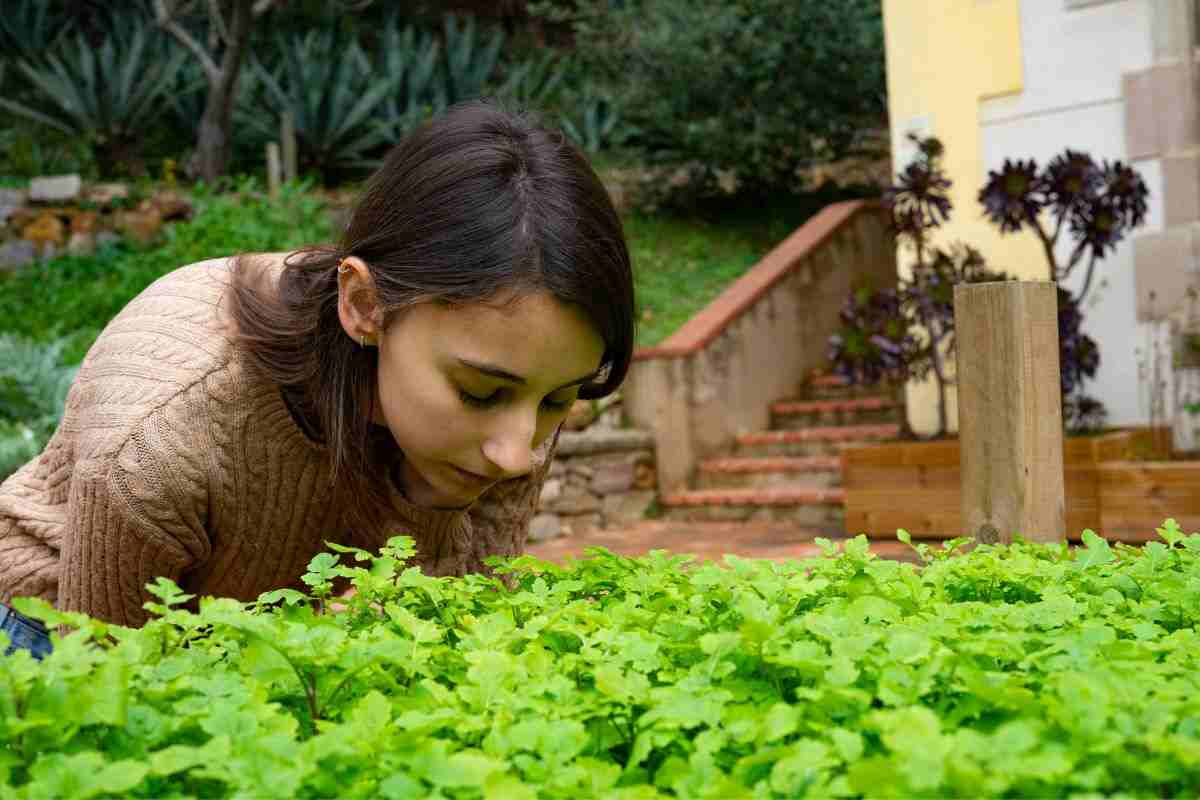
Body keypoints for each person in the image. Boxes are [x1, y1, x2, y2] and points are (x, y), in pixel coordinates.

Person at [0, 100, 635, 658]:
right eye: (480, 393)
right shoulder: (158, 443)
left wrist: (435, 503)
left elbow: (465, 636)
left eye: (559, 400)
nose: (518, 453)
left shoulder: (514, 383)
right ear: (363, 306)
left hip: (248, 640)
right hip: (44, 628)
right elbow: (108, 696)